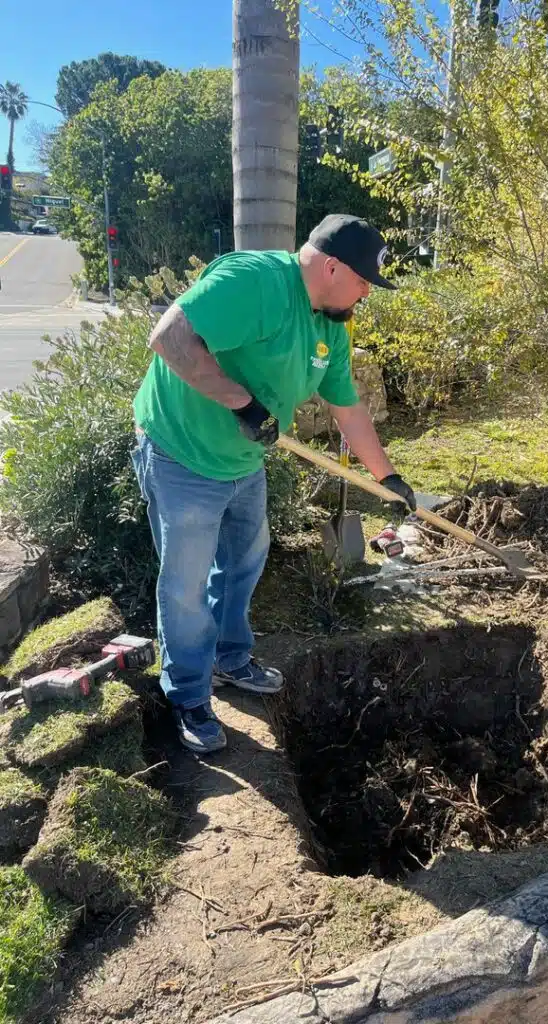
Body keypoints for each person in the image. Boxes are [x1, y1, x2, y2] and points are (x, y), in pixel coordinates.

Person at [131, 214, 416, 754]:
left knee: (244, 561)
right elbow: (168, 338)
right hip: (182, 453)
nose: (365, 295)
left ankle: (230, 658)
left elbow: (347, 409)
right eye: (362, 282)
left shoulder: (330, 325)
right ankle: (189, 695)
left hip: (242, 460)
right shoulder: (256, 282)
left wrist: (388, 476)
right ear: (332, 266)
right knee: (185, 585)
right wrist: (242, 403)